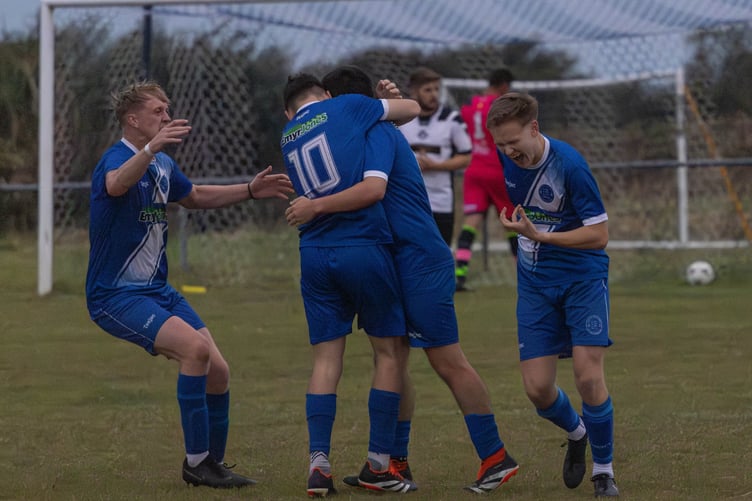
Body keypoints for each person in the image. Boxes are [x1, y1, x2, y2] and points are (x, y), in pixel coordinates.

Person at [286, 65, 519, 494]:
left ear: (339, 104)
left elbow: (373, 188)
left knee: (445, 359)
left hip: (419, 259)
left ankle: (495, 456)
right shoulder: (364, 133)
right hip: (394, 258)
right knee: (393, 357)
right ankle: (392, 462)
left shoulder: (375, 133)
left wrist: (314, 206)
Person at [85, 81, 295, 489]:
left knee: (218, 370)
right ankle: (196, 464)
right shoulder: (119, 158)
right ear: (133, 120)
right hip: (114, 295)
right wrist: (151, 149)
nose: (167, 117)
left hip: (156, 290)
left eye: (167, 110)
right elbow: (116, 185)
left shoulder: (162, 163)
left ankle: (212, 464)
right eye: (158, 111)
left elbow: (195, 195)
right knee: (195, 351)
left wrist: (250, 191)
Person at [280, 73, 421, 497]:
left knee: (326, 359)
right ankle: (380, 464)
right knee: (390, 351)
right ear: (325, 95)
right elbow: (412, 110)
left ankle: (318, 465)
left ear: (289, 110)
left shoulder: (288, 133)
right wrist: (385, 101)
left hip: (314, 252)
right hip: (362, 245)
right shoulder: (346, 106)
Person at [487, 92, 619, 497]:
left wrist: (541, 234)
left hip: (581, 278)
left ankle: (604, 471)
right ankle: (577, 432)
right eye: (501, 145)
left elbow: (600, 235)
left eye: (514, 141)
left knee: (587, 373)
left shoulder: (570, 166)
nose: (509, 152)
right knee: (538, 389)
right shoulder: (506, 158)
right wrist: (521, 225)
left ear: (534, 128)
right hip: (535, 282)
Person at [455, 68, 519, 292]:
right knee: (512, 222)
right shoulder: (500, 106)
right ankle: (525, 274)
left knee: (470, 222)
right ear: (503, 85)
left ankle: (460, 274)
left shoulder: (470, 106)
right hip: (497, 169)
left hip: (474, 169)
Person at [398, 66, 472, 246]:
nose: (434, 94)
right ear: (414, 91)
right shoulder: (400, 119)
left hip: (441, 201)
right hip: (408, 201)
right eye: (428, 90)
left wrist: (435, 166)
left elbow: (466, 157)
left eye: (437, 89)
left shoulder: (451, 119)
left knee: (441, 253)